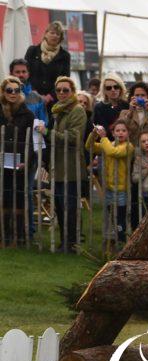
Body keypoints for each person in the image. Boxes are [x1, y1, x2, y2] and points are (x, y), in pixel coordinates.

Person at [40, 76, 86, 252]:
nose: (61, 93)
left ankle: (72, 244)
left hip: (71, 166)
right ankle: (64, 242)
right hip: (58, 165)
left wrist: (48, 132)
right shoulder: (57, 110)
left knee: (70, 207)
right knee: (59, 206)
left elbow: (74, 137)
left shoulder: (77, 110)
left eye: (65, 90)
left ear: (72, 91)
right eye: (58, 90)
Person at [0, 77, 36, 244]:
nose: (13, 93)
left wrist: (26, 162)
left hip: (20, 163)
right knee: (4, 198)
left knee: (20, 199)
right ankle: (4, 234)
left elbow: (31, 143)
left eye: (16, 90)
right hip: (1, 164)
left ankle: (20, 235)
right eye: (9, 90)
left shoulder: (27, 114)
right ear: (3, 91)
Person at [87, 119, 134, 243]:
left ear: (128, 133)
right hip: (108, 188)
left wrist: (103, 137)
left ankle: (122, 240)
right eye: (117, 130)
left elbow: (113, 152)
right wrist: (94, 134)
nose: (120, 133)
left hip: (121, 189)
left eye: (123, 130)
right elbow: (89, 146)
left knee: (120, 217)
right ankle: (114, 241)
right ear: (113, 133)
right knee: (111, 217)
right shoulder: (109, 143)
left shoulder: (128, 146)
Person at [24, 21, 71, 107]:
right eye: (52, 33)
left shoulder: (65, 56)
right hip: (31, 98)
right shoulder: (32, 51)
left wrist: (50, 96)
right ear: (46, 34)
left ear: (60, 38)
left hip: (54, 101)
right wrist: (34, 92)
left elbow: (65, 79)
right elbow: (25, 74)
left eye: (58, 34)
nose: (55, 36)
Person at [119, 82, 148, 146]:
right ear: (132, 97)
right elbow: (120, 131)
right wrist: (130, 112)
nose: (140, 98)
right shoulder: (124, 113)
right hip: (131, 149)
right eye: (137, 95)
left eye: (143, 95)